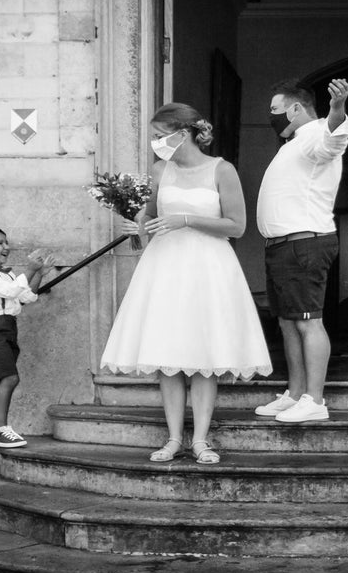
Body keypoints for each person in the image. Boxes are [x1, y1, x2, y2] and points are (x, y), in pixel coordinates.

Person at [101, 103, 272, 465]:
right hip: (165, 266)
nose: (155, 142)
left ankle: (201, 440)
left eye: (160, 135)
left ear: (183, 134)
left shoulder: (222, 169)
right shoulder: (160, 170)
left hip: (208, 268)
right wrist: (137, 225)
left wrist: (187, 219)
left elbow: (237, 226)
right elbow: (150, 217)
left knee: (204, 354)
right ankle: (174, 438)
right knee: (168, 353)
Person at [254, 78, 348, 423]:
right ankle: (296, 394)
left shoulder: (314, 133)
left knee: (308, 322)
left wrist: (337, 109)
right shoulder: (293, 143)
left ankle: (315, 400)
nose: (271, 116)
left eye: (275, 109)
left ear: (295, 108)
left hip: (304, 243)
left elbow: (333, 140)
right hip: (283, 246)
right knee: (288, 322)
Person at [0, 226, 52, 449]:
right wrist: (29, 269)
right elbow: (10, 291)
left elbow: (26, 297)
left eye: (7, 242)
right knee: (9, 378)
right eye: (0, 243)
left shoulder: (7, 273)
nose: (6, 246)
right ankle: (0, 430)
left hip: (6, 328)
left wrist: (38, 274)